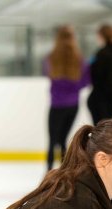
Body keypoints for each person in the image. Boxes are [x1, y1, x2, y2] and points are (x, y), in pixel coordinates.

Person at [43, 25, 90, 170]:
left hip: (57, 104)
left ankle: (49, 172)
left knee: (52, 141)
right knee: (63, 140)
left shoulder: (51, 58)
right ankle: (63, 172)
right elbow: (86, 81)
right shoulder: (79, 60)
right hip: (73, 104)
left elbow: (48, 75)